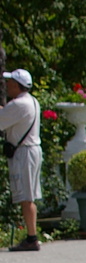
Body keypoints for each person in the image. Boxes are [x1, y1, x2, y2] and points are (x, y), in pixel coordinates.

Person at [0, 68, 42, 252]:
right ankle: (31, 236)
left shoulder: (18, 105)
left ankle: (32, 238)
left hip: (24, 153)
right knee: (28, 195)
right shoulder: (31, 101)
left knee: (26, 197)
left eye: (10, 83)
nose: (7, 86)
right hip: (30, 151)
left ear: (18, 85)